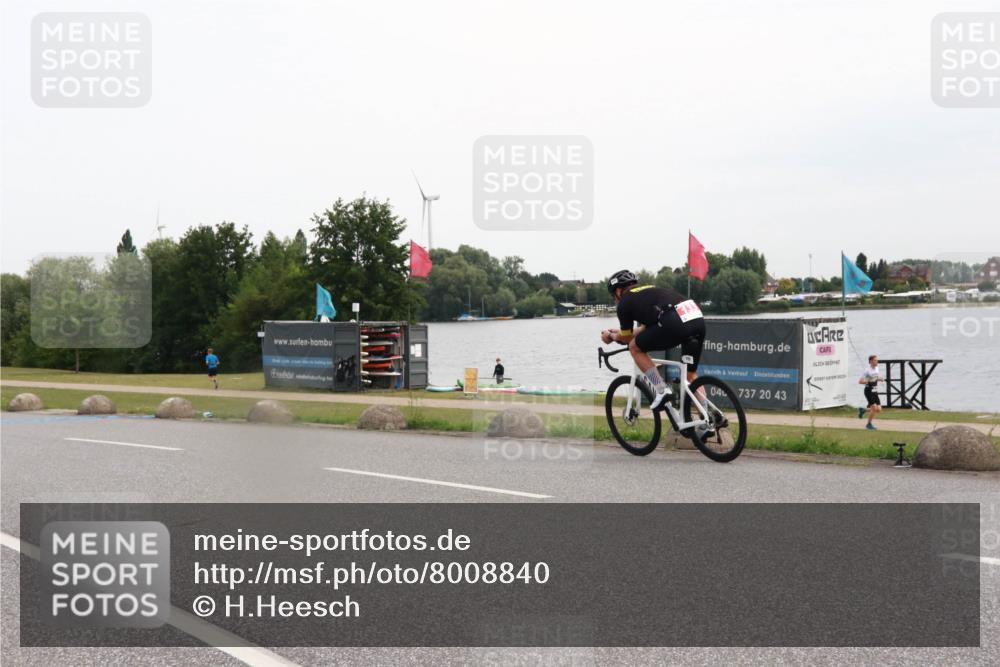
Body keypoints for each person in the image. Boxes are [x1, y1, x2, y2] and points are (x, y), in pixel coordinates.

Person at [600, 269, 707, 413]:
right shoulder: (650, 291)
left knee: (634, 348)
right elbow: (645, 329)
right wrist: (618, 333)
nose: (615, 299)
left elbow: (627, 338)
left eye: (614, 295)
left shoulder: (625, 302)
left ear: (618, 291)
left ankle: (661, 389)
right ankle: (709, 418)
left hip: (674, 321)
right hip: (695, 317)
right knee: (691, 375)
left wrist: (612, 337)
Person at [857, 354, 883, 430]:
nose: (877, 361)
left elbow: (876, 377)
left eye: (877, 360)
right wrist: (868, 381)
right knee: (874, 408)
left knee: (878, 409)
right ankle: (869, 424)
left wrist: (879, 379)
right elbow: (860, 381)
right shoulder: (867, 370)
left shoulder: (877, 368)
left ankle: (863, 410)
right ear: (871, 361)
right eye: (875, 360)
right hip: (868, 391)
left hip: (875, 391)